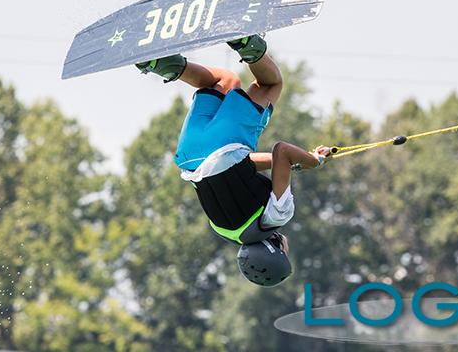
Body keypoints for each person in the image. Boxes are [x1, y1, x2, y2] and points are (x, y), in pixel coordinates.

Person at [136, 33, 330, 287]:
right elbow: (238, 168)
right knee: (223, 82)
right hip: (190, 155)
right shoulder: (224, 230)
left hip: (225, 142)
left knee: (269, 85)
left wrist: (313, 160)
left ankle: (247, 45)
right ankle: (162, 65)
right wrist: (289, 164)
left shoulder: (277, 216)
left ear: (275, 250)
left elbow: (281, 150)